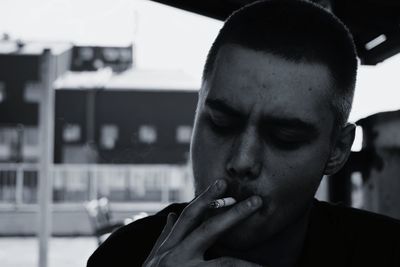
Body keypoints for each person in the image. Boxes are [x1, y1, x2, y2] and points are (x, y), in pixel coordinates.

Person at [87, 0, 400, 266]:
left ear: (338, 150)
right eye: (221, 124)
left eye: (284, 137)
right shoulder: (124, 256)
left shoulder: (386, 252)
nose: (242, 160)